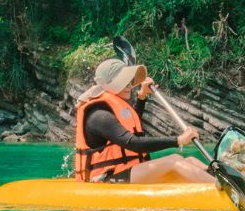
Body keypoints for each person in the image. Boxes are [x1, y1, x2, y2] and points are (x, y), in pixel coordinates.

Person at [74, 59, 215, 185]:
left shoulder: (110, 108)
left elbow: (130, 124)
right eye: (123, 82)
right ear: (109, 84)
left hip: (127, 171)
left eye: (129, 81)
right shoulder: (99, 115)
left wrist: (142, 97)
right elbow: (133, 143)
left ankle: (221, 178)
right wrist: (178, 140)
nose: (129, 85)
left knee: (189, 160)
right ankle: (225, 193)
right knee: (174, 160)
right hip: (105, 179)